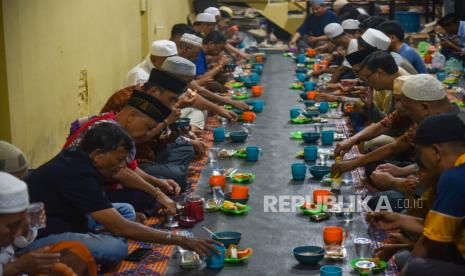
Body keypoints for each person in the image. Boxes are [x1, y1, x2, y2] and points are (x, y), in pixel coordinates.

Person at [23, 123, 220, 265]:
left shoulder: (80, 157)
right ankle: (100, 240)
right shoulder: (77, 173)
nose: (122, 166)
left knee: (126, 209)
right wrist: (181, 239)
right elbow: (119, 226)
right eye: (118, 159)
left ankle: (98, 236)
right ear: (98, 154)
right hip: (38, 237)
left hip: (68, 218)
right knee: (116, 249)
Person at [367, 113, 465, 275]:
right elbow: (439, 230)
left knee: (416, 267)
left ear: (435, 151)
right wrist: (400, 220)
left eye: (420, 153)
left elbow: (432, 244)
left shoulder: (455, 177)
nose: (418, 162)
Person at [69, 85, 181, 214]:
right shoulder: (108, 131)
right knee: (145, 196)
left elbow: (130, 167)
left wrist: (157, 182)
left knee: (157, 184)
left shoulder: (112, 120)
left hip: (99, 184)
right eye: (148, 127)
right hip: (80, 190)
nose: (148, 133)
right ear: (131, 116)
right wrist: (158, 194)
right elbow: (119, 172)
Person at [332, 74, 462, 177]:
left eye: (407, 107)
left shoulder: (443, 125)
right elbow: (382, 125)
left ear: (424, 107)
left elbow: (397, 147)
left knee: (385, 197)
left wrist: (397, 183)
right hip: (419, 169)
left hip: (434, 184)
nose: (400, 108)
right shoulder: (432, 115)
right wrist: (352, 141)